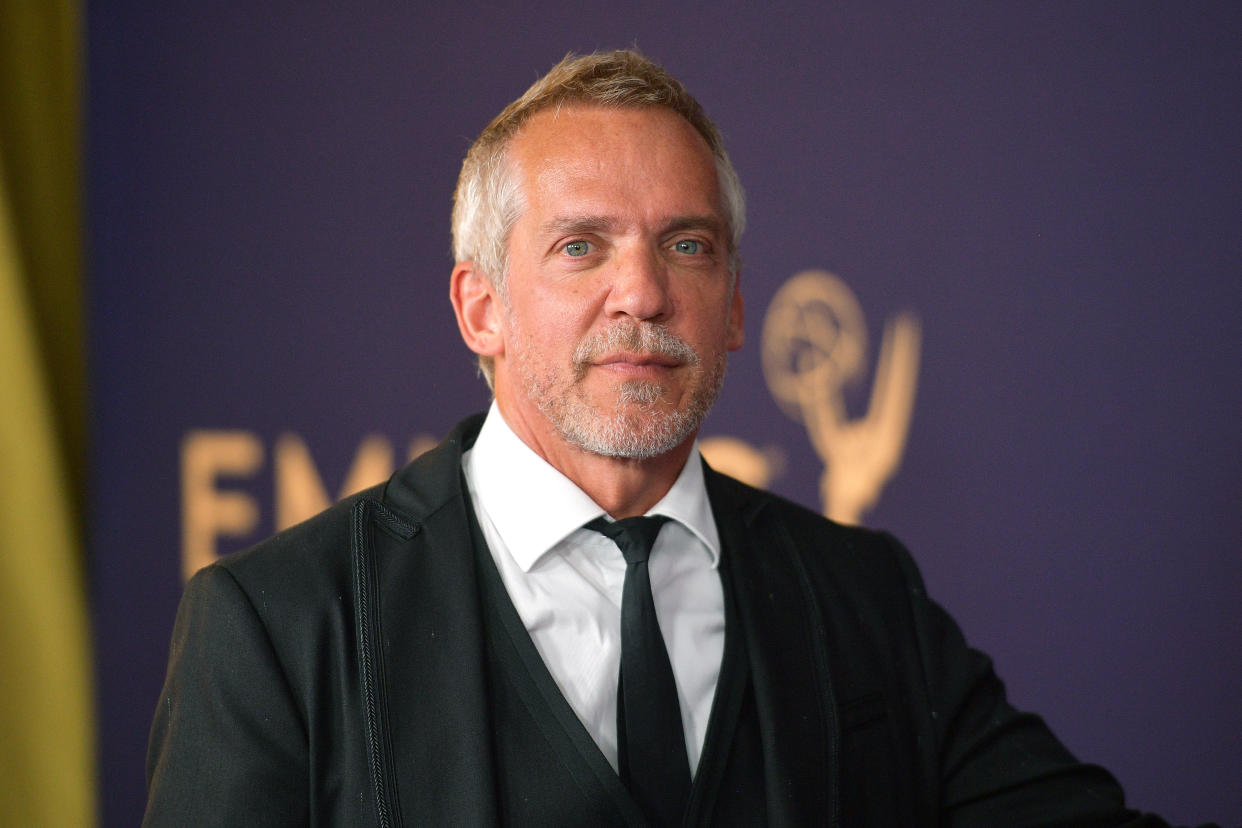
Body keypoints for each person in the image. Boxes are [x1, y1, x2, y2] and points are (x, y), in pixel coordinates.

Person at [144, 50, 1214, 827]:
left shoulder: (863, 598)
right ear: (480, 309)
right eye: (580, 246)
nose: (644, 291)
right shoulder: (280, 628)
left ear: (736, 307)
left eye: (687, 244)